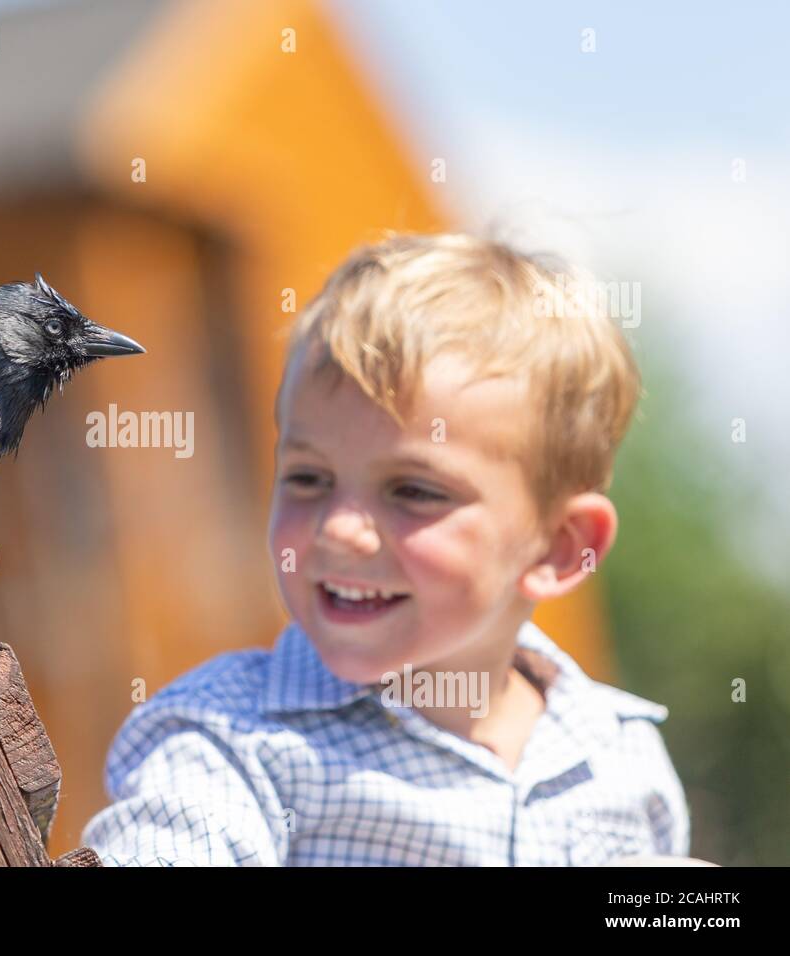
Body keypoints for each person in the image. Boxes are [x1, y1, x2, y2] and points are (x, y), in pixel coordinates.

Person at [81, 233, 690, 865]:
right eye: (308, 478)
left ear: (559, 549)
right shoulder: (229, 741)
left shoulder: (619, 757)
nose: (340, 529)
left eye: (413, 491)